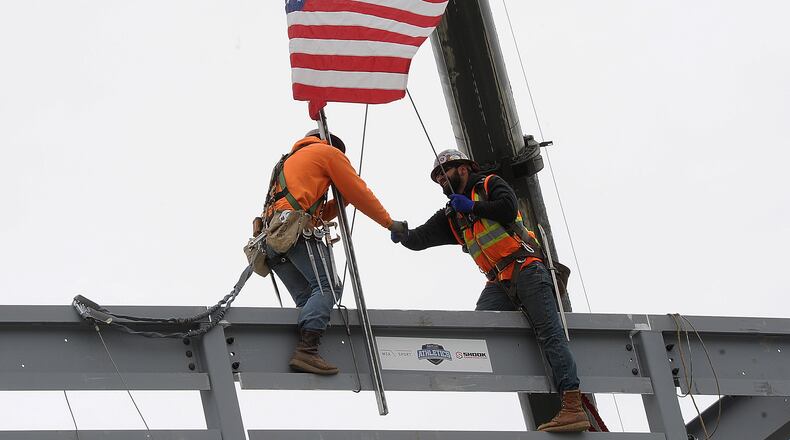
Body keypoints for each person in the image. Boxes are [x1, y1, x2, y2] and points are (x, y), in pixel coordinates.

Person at [390, 149, 590, 432]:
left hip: (527, 268)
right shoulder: (453, 214)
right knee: (480, 328)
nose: (440, 181)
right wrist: (401, 234)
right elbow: (420, 238)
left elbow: (508, 208)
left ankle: (572, 406)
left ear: (463, 169)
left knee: (549, 332)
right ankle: (515, 381)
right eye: (436, 178)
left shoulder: (488, 185)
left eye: (443, 173)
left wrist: (473, 208)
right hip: (500, 282)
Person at [259, 130, 407, 375]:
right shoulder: (328, 153)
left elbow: (313, 211)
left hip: (272, 239)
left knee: (309, 297)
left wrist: (341, 201)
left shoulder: (287, 162)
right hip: (293, 231)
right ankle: (306, 352)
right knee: (329, 287)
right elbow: (361, 193)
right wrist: (390, 223)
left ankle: (307, 348)